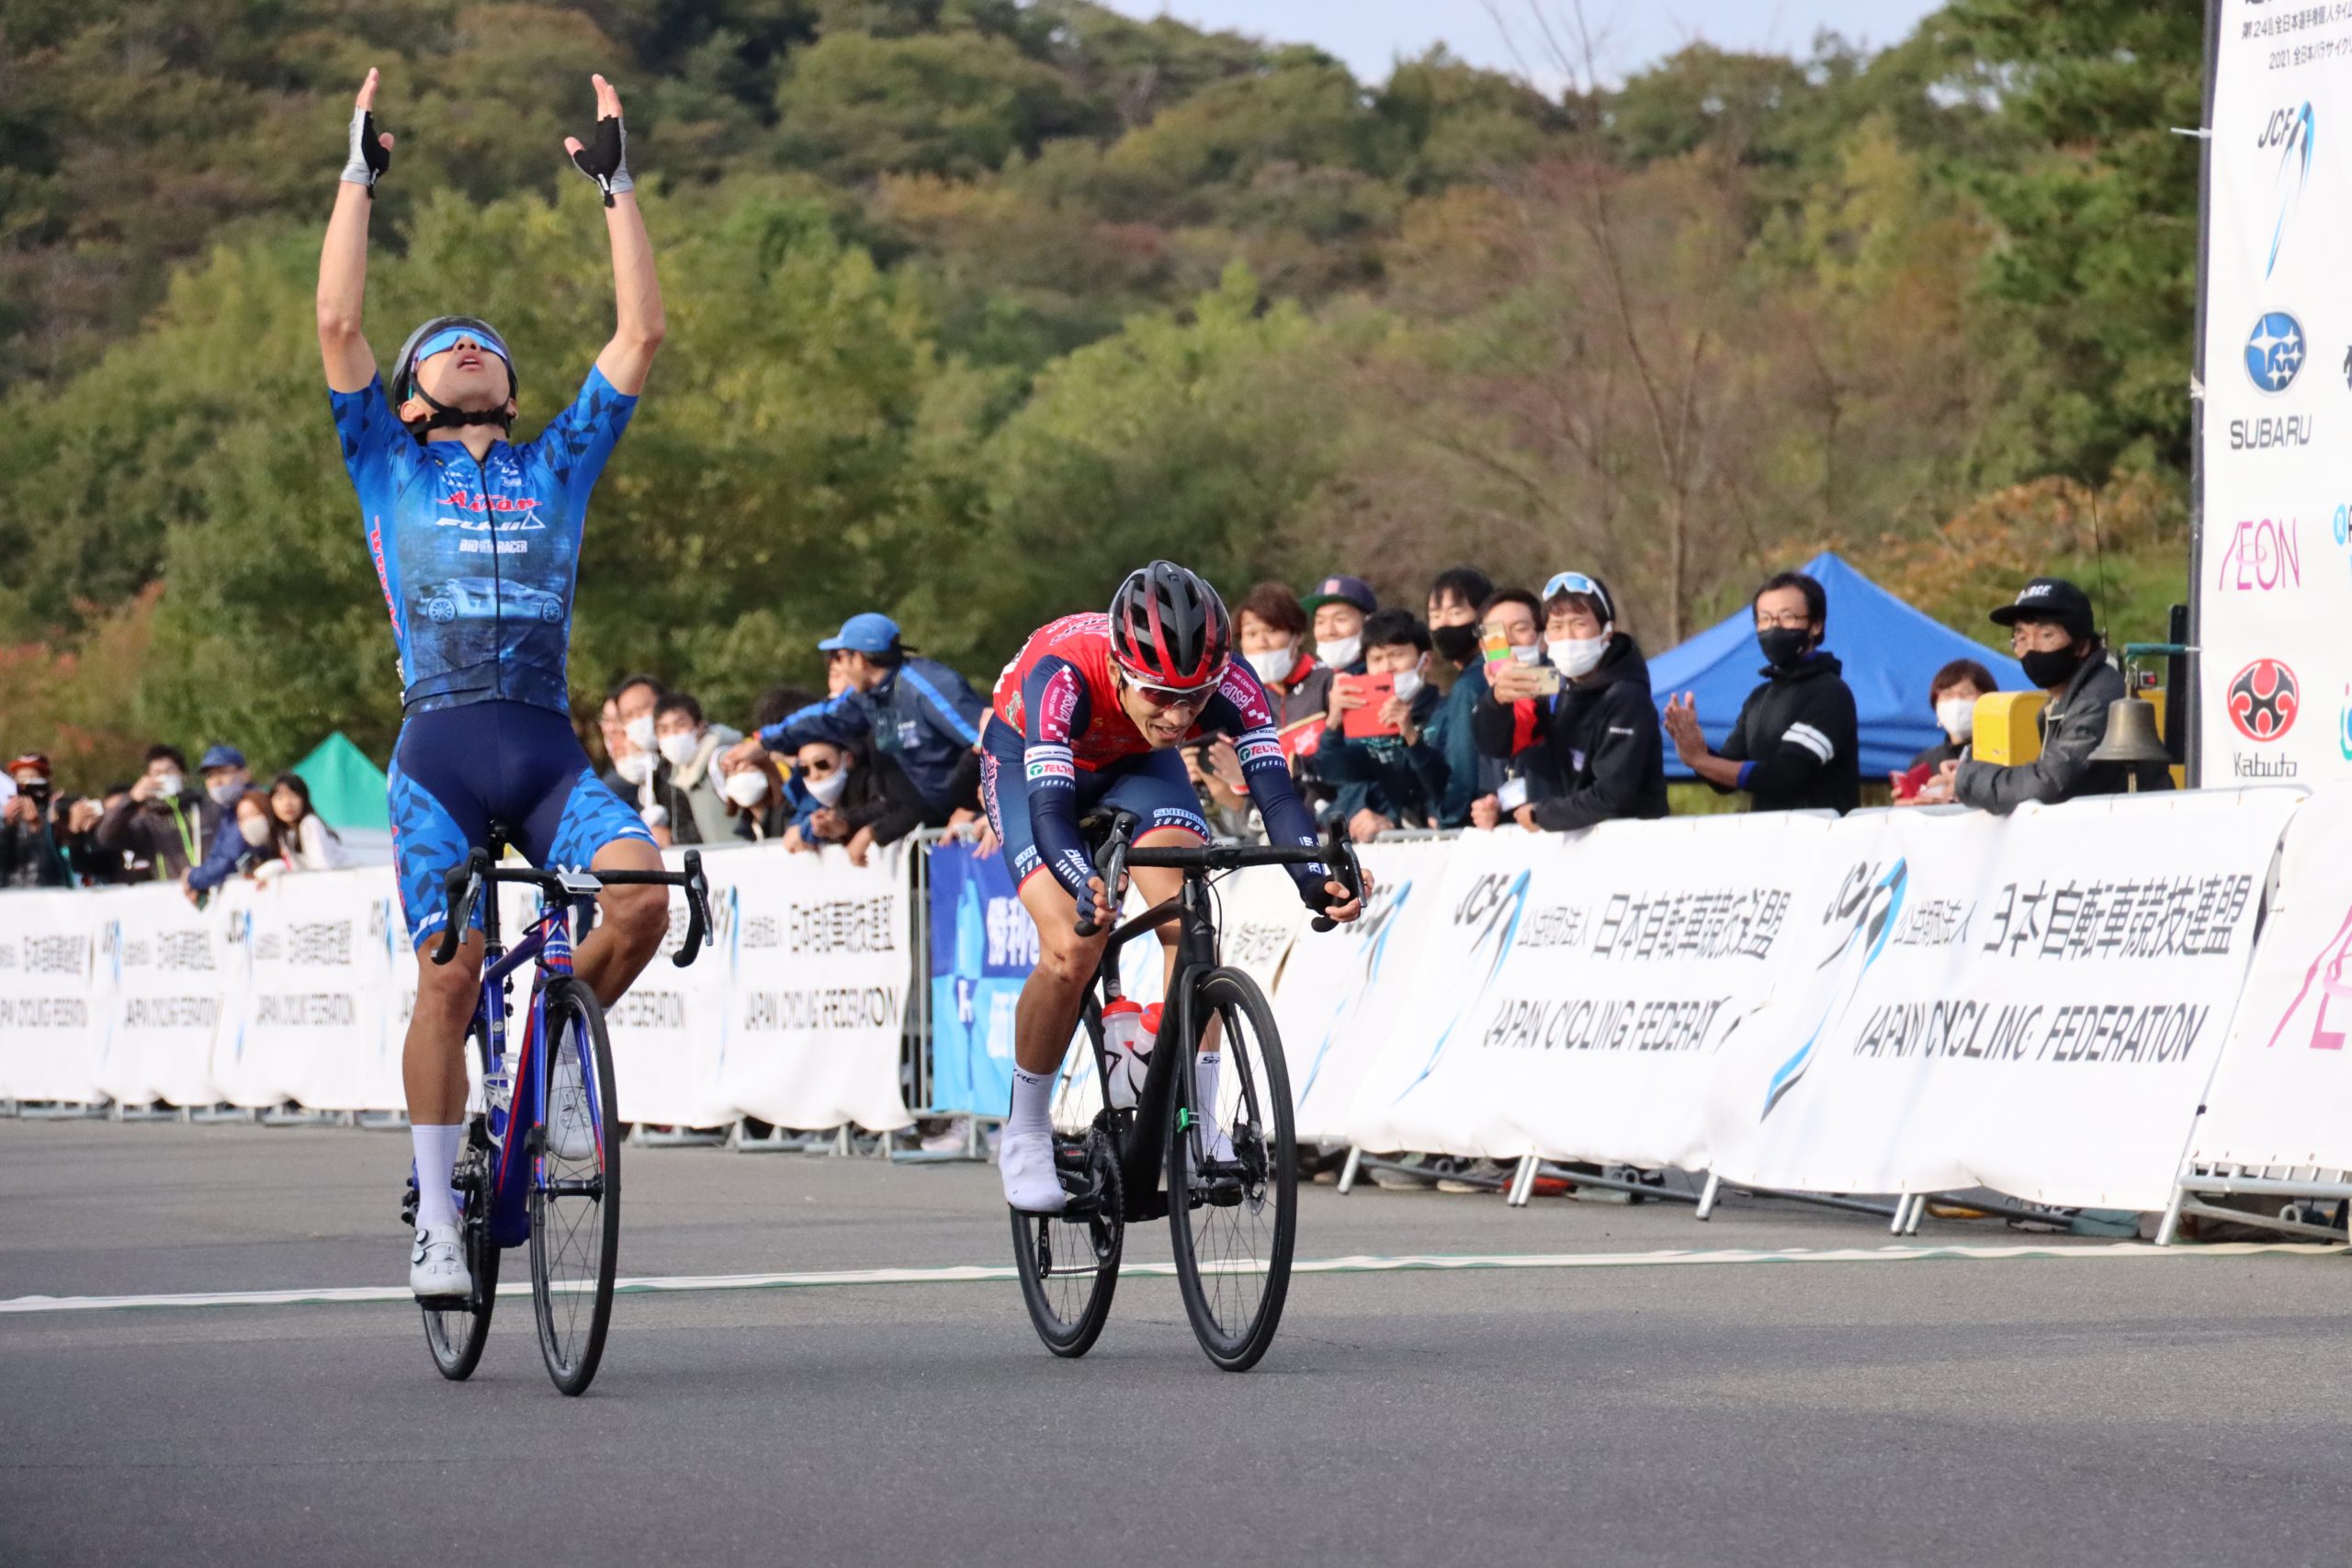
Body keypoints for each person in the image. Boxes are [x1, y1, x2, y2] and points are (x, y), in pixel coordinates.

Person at [318, 67, 671, 1299]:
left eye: (488, 347)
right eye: (447, 346)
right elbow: (335, 328)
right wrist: (357, 176)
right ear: (414, 395)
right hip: (441, 759)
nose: (471, 346)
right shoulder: (383, 459)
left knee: (640, 902)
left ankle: (561, 1061)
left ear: (508, 392)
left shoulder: (558, 461)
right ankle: (430, 1210)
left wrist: (619, 188)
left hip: (547, 748)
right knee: (450, 972)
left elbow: (638, 338)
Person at [984, 561, 1364, 1212]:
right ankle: (1025, 1130)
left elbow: (1274, 793)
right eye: (1160, 693)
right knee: (1073, 946)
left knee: (1189, 915)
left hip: (1136, 761)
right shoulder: (1063, 674)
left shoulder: (1232, 685)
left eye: (1195, 697)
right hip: (1029, 760)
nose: (1180, 712)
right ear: (1118, 667)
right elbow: (1051, 815)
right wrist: (1085, 884)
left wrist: (1313, 876)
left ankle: (1198, 1122)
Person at [724, 613, 987, 828]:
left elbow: (988, 739)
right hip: (940, 821)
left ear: (859, 658)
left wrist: (973, 808)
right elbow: (820, 718)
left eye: (840, 657)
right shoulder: (867, 696)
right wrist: (764, 742)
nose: (837, 666)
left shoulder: (926, 687)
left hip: (980, 816)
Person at [1934, 578, 2170, 810]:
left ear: (2081, 645)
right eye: (2021, 637)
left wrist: (1969, 780)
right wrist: (1970, 774)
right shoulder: (2062, 701)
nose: (2031, 647)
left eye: (2046, 635)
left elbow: (2049, 783)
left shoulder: (2100, 700)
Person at [1474, 571, 1668, 832]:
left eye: (1579, 624)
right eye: (1557, 626)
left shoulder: (1626, 697)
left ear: (1607, 631)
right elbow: (1498, 744)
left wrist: (1543, 816)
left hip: (1630, 848)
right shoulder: (1558, 689)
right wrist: (1496, 702)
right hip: (1574, 847)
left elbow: (1613, 795)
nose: (1568, 636)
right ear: (1547, 637)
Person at [1662, 570, 1860, 815]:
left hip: (1823, 843)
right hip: (1769, 844)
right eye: (1764, 619)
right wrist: (1696, 749)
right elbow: (1724, 778)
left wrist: (1701, 761)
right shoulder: (1759, 698)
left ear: (1815, 625)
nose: (1773, 628)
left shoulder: (1830, 693)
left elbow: (1785, 777)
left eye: (1787, 617)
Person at [1313, 608, 1449, 839]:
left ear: (1425, 661)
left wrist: (1410, 736)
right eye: (1376, 659)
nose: (1386, 667)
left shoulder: (1445, 711)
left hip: (1436, 840)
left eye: (1397, 655)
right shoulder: (1362, 720)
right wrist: (1334, 721)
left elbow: (1445, 785)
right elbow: (1334, 773)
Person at [1465, 588, 1546, 830]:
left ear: (1542, 639)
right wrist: (1489, 810)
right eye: (1497, 635)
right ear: (1483, 648)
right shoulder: (1483, 708)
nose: (1509, 641)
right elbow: (1489, 785)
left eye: (1520, 629)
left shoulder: (1563, 696)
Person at [1422, 566, 1498, 827]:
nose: (1443, 624)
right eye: (1435, 615)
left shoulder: (1470, 687)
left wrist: (1447, 815)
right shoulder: (1466, 682)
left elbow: (1463, 768)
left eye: (1456, 613)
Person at [96, 745, 220, 883]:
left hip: (216, 887)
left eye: (170, 770)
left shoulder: (206, 807)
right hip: (171, 893)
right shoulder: (145, 821)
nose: (164, 777)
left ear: (182, 774)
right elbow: (106, 836)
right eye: (157, 773)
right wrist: (132, 799)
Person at [1892, 659, 1998, 801]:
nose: (1956, 701)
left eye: (1967, 692)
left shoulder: (2001, 754)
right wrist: (1904, 806)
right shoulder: (1924, 761)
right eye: (1947, 693)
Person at [649, 691, 741, 845]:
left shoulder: (724, 760)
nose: (673, 735)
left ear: (700, 726)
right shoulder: (674, 774)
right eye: (664, 730)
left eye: (680, 725)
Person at [179, 745, 260, 901]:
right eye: (210, 775)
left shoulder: (252, 805)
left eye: (223, 772)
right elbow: (217, 854)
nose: (216, 781)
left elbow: (230, 859)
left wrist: (193, 877)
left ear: (245, 774)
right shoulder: (228, 810)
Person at [0, 753, 72, 888]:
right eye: (21, 781)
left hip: (46, 894)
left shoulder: (58, 814)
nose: (26, 786)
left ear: (47, 782)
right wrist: (7, 825)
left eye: (33, 780)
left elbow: (55, 862)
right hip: (9, 896)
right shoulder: (8, 816)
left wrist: (37, 827)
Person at [267, 773, 354, 871]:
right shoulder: (282, 833)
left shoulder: (310, 823)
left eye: (294, 796)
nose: (287, 803)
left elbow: (322, 866)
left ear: (304, 800)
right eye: (280, 797)